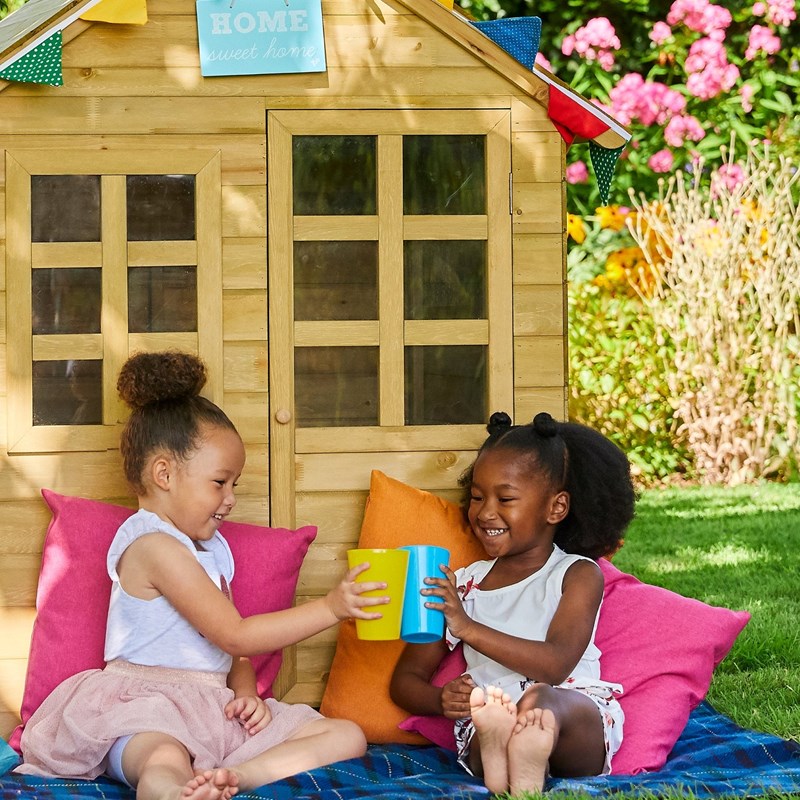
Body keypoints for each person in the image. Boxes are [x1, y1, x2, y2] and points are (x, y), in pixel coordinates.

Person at [17, 350, 389, 800]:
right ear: (164, 474)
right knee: (162, 758)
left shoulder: (212, 549)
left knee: (347, 735)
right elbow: (235, 635)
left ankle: (239, 777)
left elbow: (234, 655)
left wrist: (247, 694)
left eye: (236, 485)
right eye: (220, 482)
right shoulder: (154, 548)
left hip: (210, 709)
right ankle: (172, 791)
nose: (230, 498)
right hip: (145, 709)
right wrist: (331, 607)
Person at [390, 411, 636, 796]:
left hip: (570, 718)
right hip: (492, 713)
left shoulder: (576, 574)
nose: (485, 512)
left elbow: (555, 665)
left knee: (543, 699)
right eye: (476, 497)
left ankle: (522, 751)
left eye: (505, 498)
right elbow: (404, 682)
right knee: (490, 714)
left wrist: (467, 627)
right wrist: (440, 699)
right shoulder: (464, 585)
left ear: (556, 508)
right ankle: (509, 762)